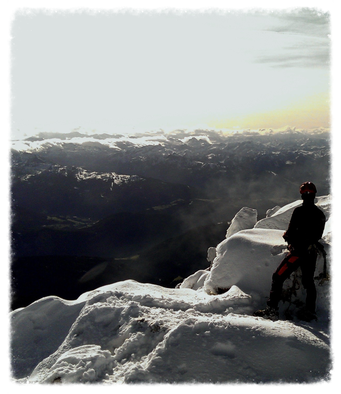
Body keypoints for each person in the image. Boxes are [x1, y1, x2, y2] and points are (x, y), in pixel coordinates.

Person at [254, 181, 326, 321]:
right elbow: (317, 236)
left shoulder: (299, 211)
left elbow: (290, 232)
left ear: (302, 196)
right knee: (308, 281)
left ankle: (272, 309)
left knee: (277, 277)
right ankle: (310, 311)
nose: (307, 195)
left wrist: (291, 242)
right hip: (311, 253)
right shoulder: (319, 214)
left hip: (297, 252)